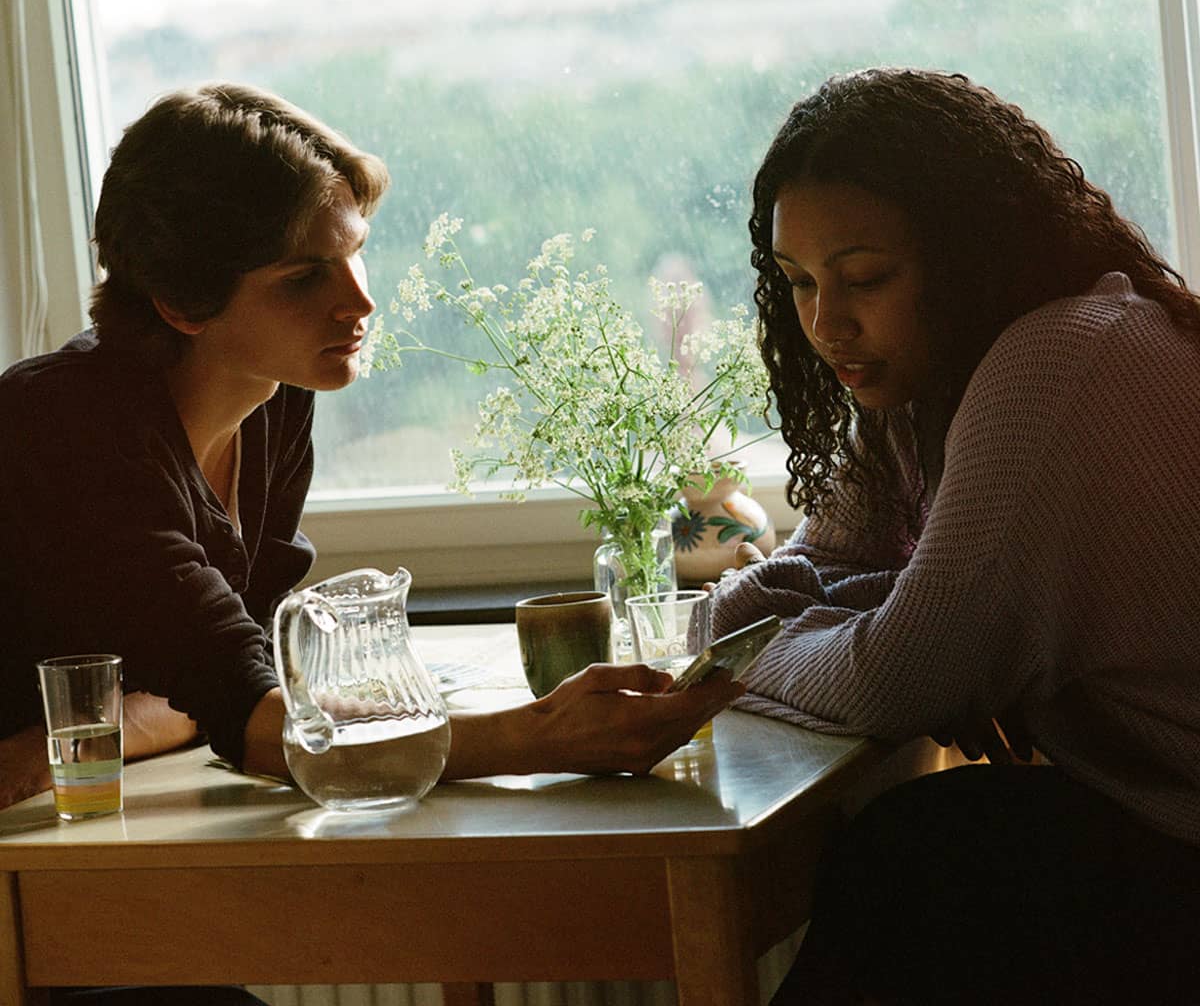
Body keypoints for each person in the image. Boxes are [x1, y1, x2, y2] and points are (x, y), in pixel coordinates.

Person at [0, 84, 738, 1005]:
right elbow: (268, 725)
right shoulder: (69, 431)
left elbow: (244, 686)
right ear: (184, 303)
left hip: (55, 826)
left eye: (353, 256)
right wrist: (543, 735)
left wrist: (91, 727)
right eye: (304, 279)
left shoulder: (275, 400)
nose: (362, 301)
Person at [707, 68, 1200, 1005]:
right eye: (798, 283)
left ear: (971, 253)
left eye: (865, 278)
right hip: (1159, 823)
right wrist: (856, 615)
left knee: (920, 861)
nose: (825, 323)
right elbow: (836, 571)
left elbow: (897, 677)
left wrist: (753, 636)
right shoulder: (921, 380)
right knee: (919, 850)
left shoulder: (1057, 367)